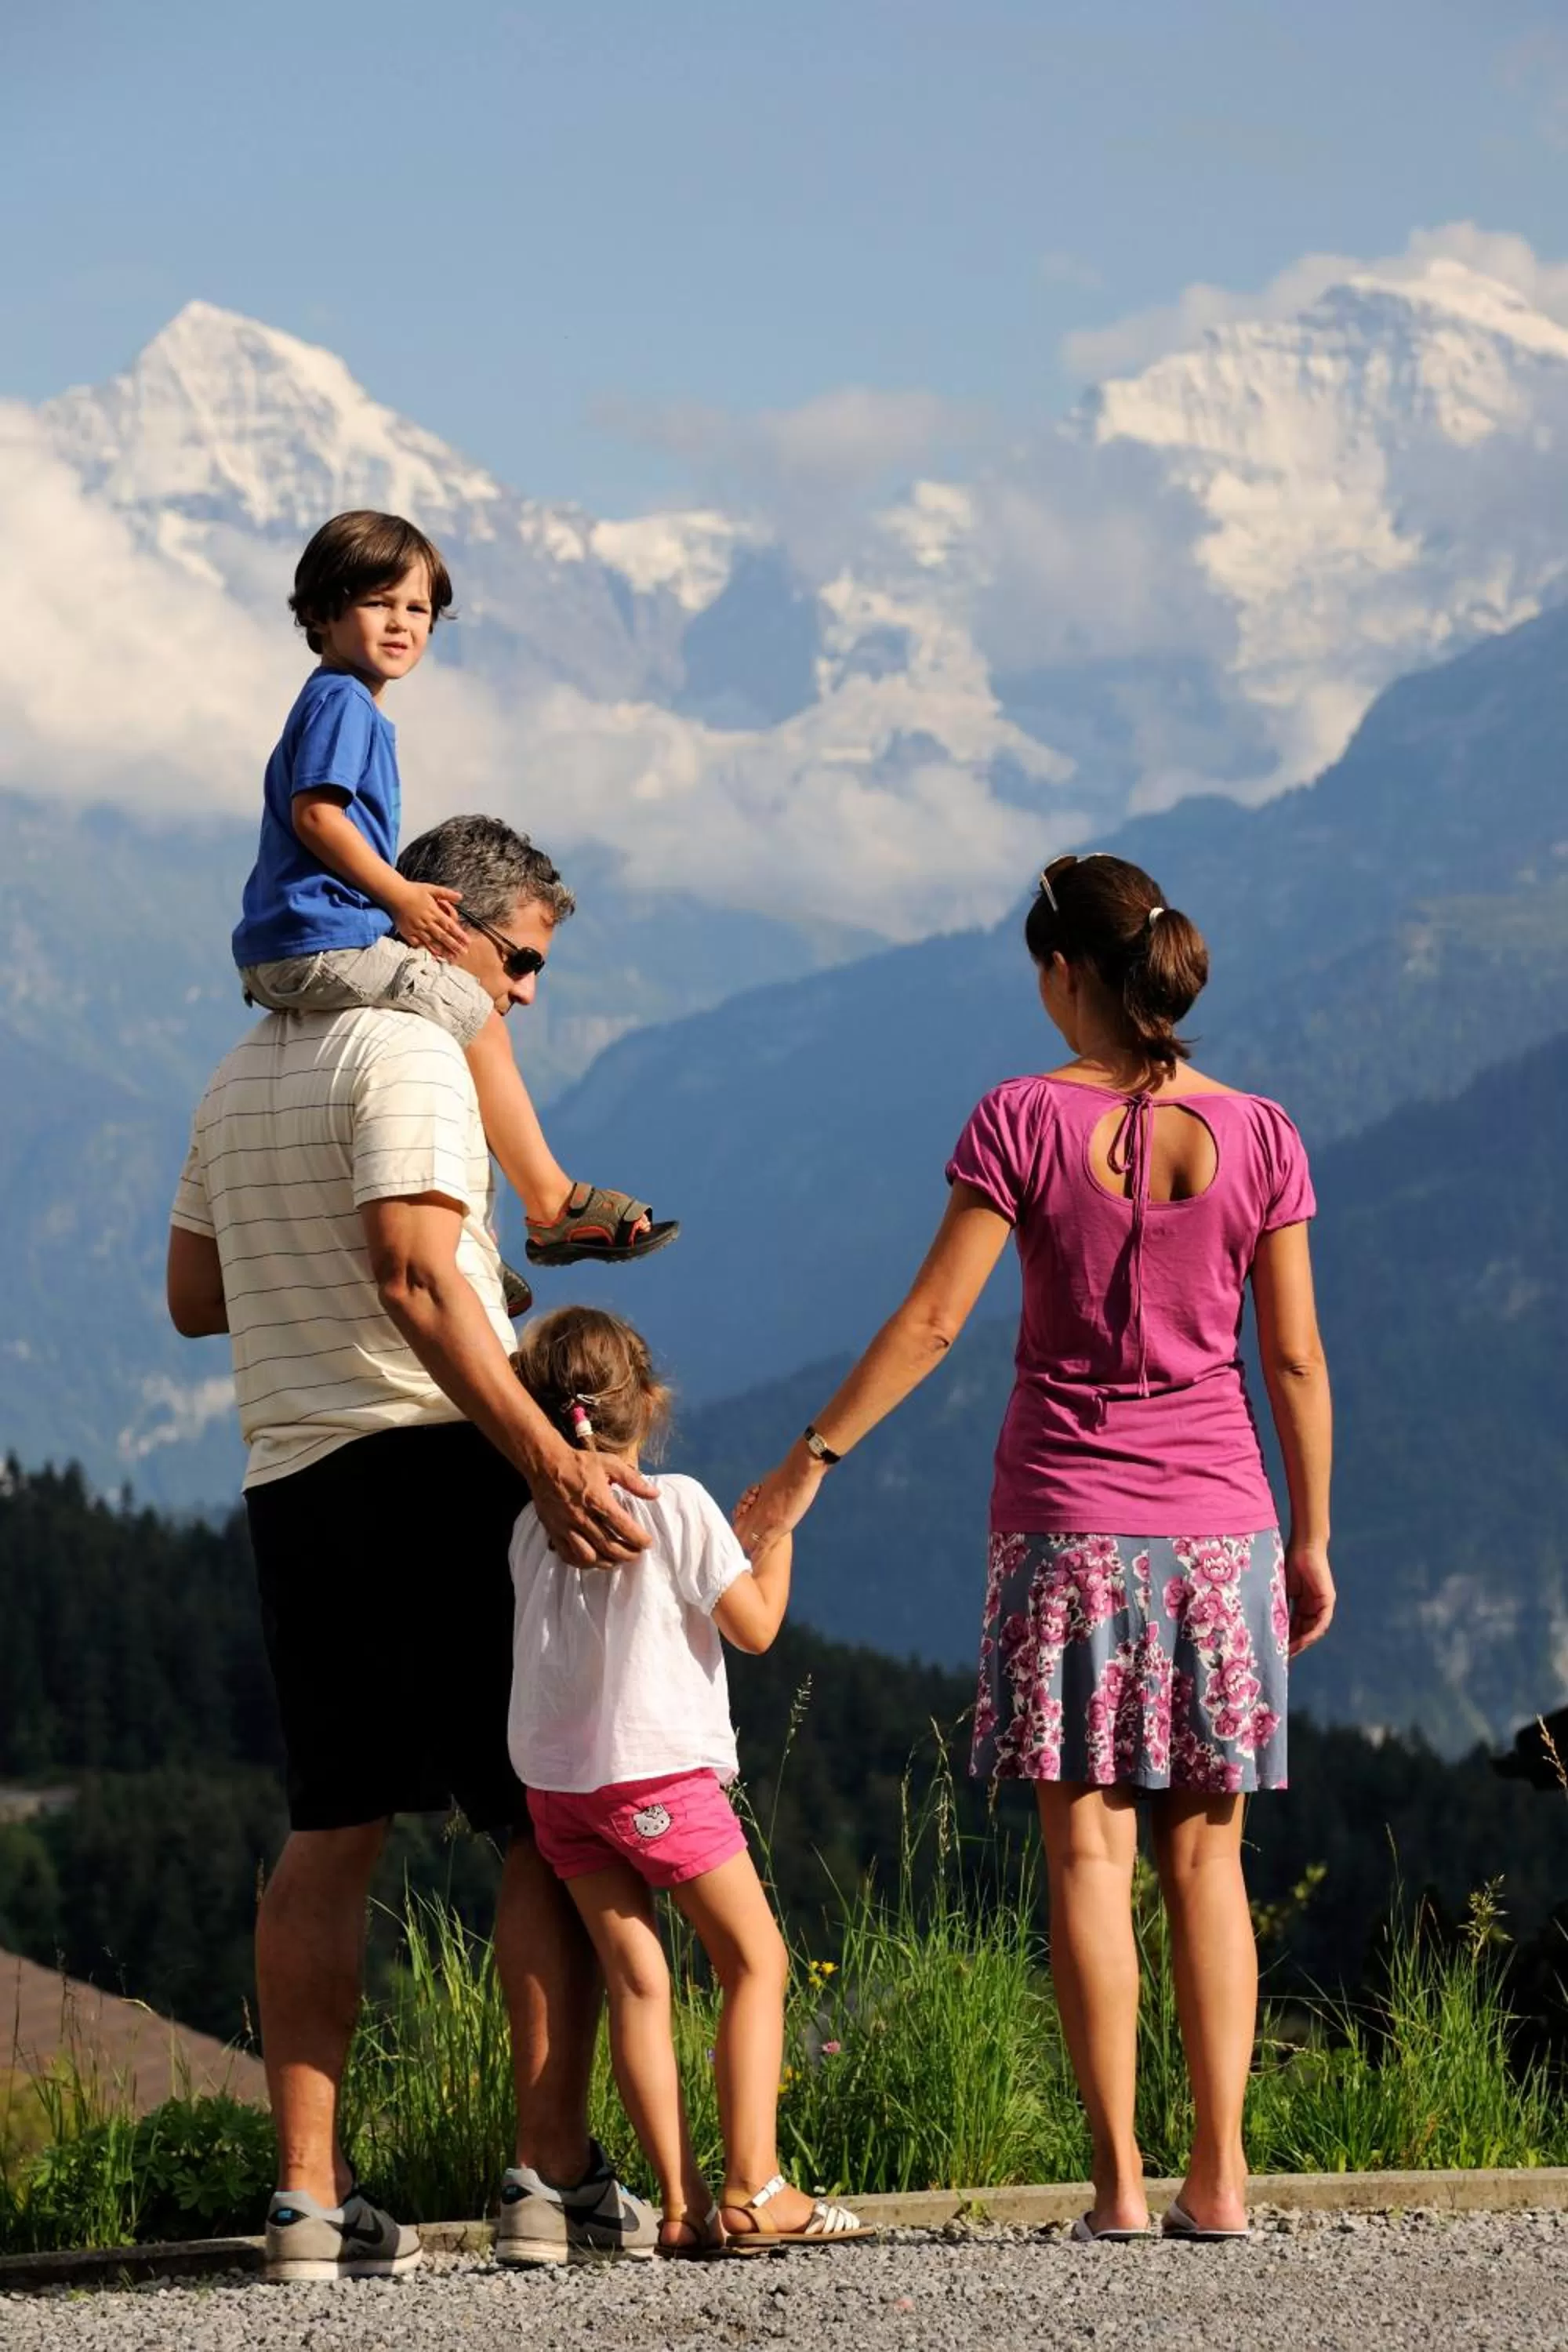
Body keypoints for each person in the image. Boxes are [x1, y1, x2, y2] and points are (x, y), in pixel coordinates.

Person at [736, 850, 1335, 2245]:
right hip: (1224, 1528)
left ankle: (1118, 2186)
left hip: (1067, 1524)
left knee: (1089, 1860)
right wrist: (1310, 1537)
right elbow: (1295, 1359)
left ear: (1066, 974)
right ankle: (1221, 2180)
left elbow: (934, 1322)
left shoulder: (1019, 1118)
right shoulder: (1263, 1134)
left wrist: (804, 1466)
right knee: (1211, 1863)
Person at [169, 815, 666, 2284]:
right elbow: (413, 1278)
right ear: (443, 923)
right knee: (542, 1821)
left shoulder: (239, 1069)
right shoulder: (414, 1052)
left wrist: (322, 1266)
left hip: (292, 1479)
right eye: (519, 958)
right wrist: (547, 1458)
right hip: (438, 1464)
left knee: (332, 1830)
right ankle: (549, 2179)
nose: (524, 992)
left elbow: (196, 1297)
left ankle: (308, 2205)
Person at [231, 507, 677, 1296]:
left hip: (294, 944)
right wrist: (399, 895)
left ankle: (470, 1236)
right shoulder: (345, 705)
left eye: (419, 609)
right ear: (323, 611)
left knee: (447, 1015)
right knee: (472, 1011)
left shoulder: (335, 700)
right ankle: (550, 1205)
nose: (401, 624)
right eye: (379, 603)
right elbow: (316, 816)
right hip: (317, 940)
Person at [508, 1306, 872, 2256]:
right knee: (755, 1961)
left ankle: (680, 2204)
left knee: (639, 1983)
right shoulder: (677, 1505)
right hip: (656, 1777)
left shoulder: (530, 1526)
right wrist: (775, 1535)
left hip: (560, 1791)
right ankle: (755, 2185)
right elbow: (754, 1629)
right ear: (648, 1399)